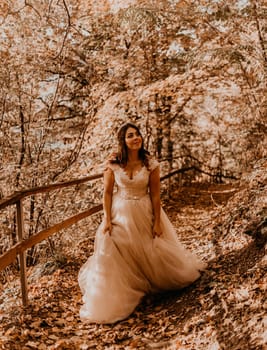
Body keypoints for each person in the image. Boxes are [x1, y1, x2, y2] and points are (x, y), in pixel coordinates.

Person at [78, 122, 206, 324]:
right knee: (111, 244)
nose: (135, 138)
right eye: (130, 135)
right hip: (119, 212)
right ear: (123, 140)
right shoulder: (113, 163)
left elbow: (155, 195)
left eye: (137, 134)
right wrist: (106, 219)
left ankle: (150, 283)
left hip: (144, 210)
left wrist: (157, 222)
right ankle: (116, 294)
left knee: (148, 248)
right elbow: (107, 193)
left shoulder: (150, 164)